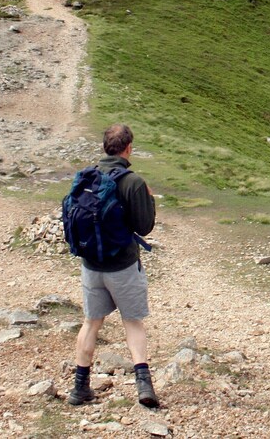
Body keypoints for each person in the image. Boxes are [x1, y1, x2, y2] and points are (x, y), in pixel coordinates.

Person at [68, 124, 159, 408]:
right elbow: (145, 227)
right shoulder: (133, 182)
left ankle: (79, 388)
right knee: (132, 322)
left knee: (91, 323)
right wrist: (150, 199)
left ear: (105, 147)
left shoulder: (86, 177)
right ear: (128, 148)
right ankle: (144, 387)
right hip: (123, 265)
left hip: (91, 265)